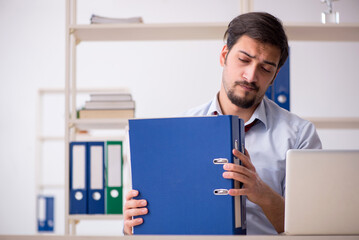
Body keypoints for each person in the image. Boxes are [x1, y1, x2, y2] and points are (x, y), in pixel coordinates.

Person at [123, 12, 322, 235]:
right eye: (244, 60)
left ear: (274, 76)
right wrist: (133, 225)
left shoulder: (299, 135)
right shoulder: (181, 128)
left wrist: (261, 192)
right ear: (224, 56)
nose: (250, 76)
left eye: (265, 69)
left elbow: (310, 229)